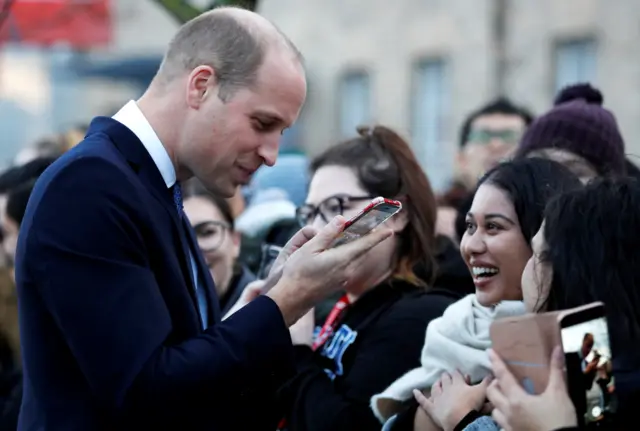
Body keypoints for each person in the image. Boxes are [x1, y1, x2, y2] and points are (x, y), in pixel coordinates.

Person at [14, 8, 391, 431]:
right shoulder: (91, 185)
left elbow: (174, 364)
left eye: (280, 133)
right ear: (201, 86)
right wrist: (285, 302)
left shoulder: (149, 183)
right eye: (262, 123)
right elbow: (144, 391)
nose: (271, 154)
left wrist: (258, 307)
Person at [275, 125, 465, 430]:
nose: (318, 229)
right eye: (310, 212)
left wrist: (297, 350)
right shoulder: (349, 301)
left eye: (337, 206)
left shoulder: (420, 315)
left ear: (398, 214)